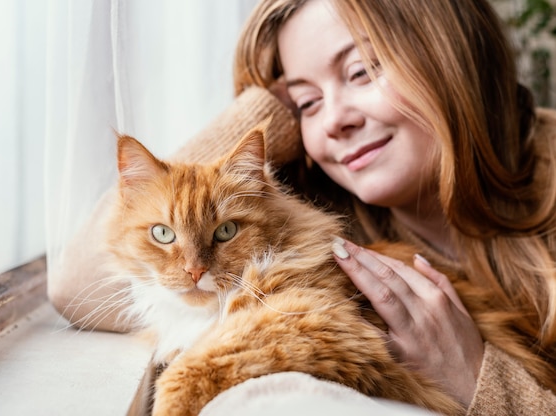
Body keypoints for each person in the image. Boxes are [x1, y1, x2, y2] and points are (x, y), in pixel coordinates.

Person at [48, 0, 556, 414]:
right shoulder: (310, 210)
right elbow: (78, 279)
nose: (334, 121)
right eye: (307, 102)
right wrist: (263, 116)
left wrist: (482, 384)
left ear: (448, 54)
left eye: (361, 71)